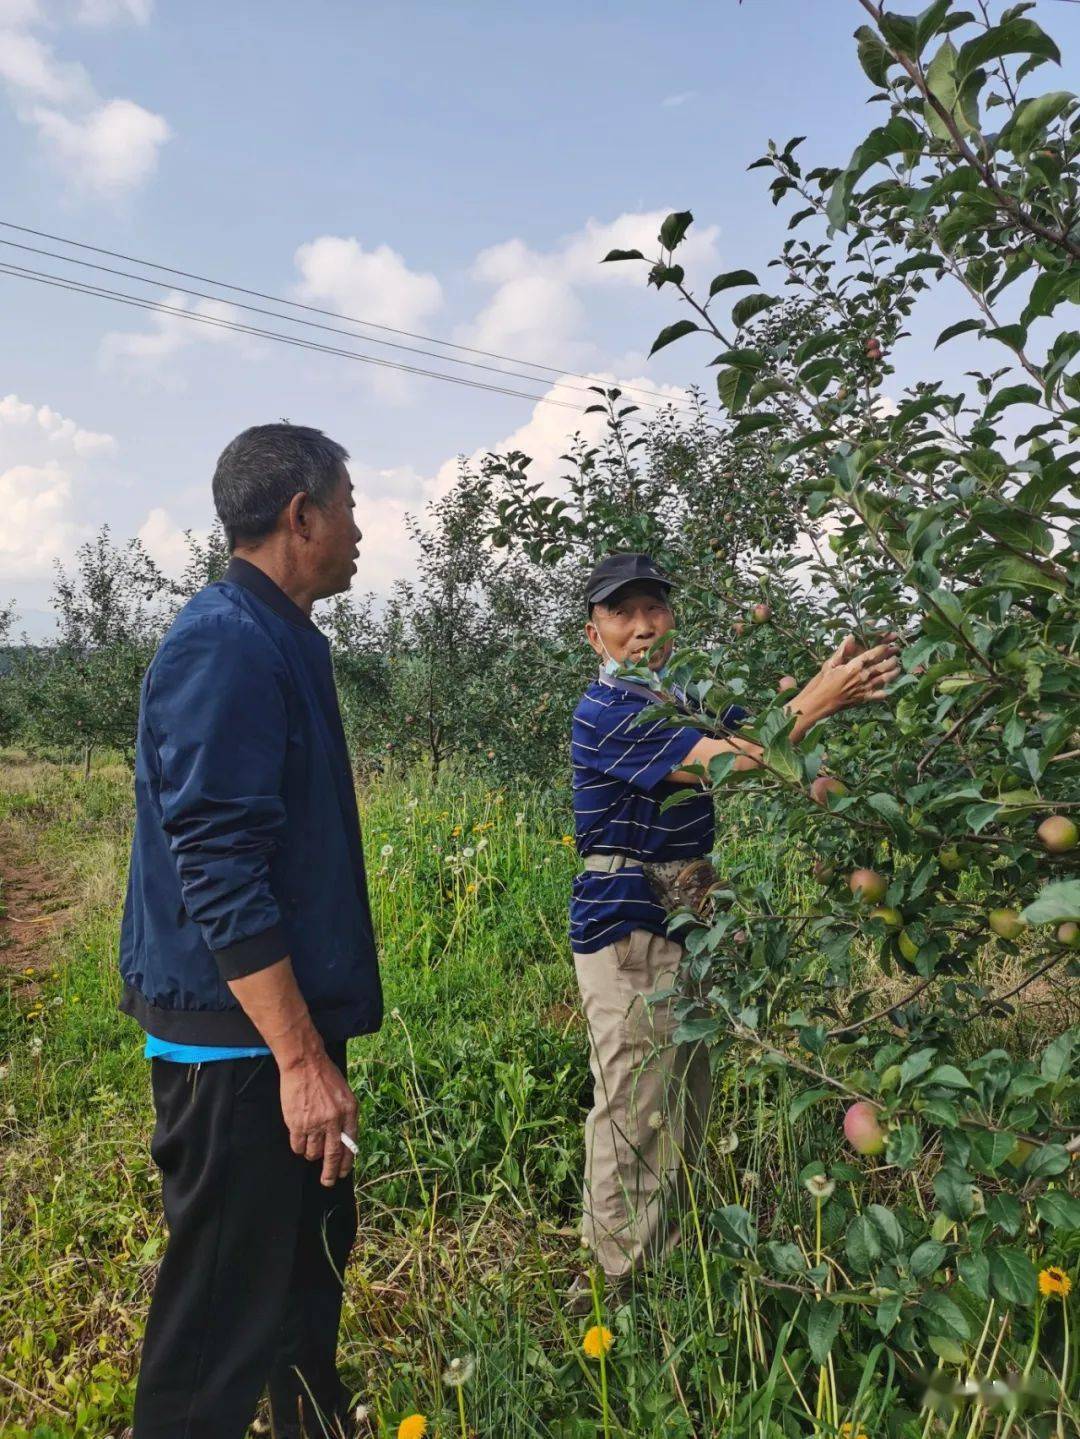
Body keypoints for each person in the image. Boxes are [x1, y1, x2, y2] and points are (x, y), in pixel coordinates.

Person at [119, 423, 379, 1439]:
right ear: (301, 515)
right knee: (220, 1317)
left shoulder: (274, 634)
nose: (361, 528)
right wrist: (300, 1057)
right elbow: (218, 863)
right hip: (240, 1045)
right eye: (349, 506)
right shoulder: (224, 640)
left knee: (301, 1279)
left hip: (273, 1028)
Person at [567, 551, 899, 1309]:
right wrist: (818, 696)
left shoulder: (681, 699)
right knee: (633, 1104)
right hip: (629, 932)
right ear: (596, 634)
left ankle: (666, 1265)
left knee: (682, 1097)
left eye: (656, 608)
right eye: (625, 612)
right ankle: (616, 1286)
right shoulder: (608, 712)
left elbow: (774, 741)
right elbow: (737, 765)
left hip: (688, 921)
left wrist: (825, 695)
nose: (645, 625)